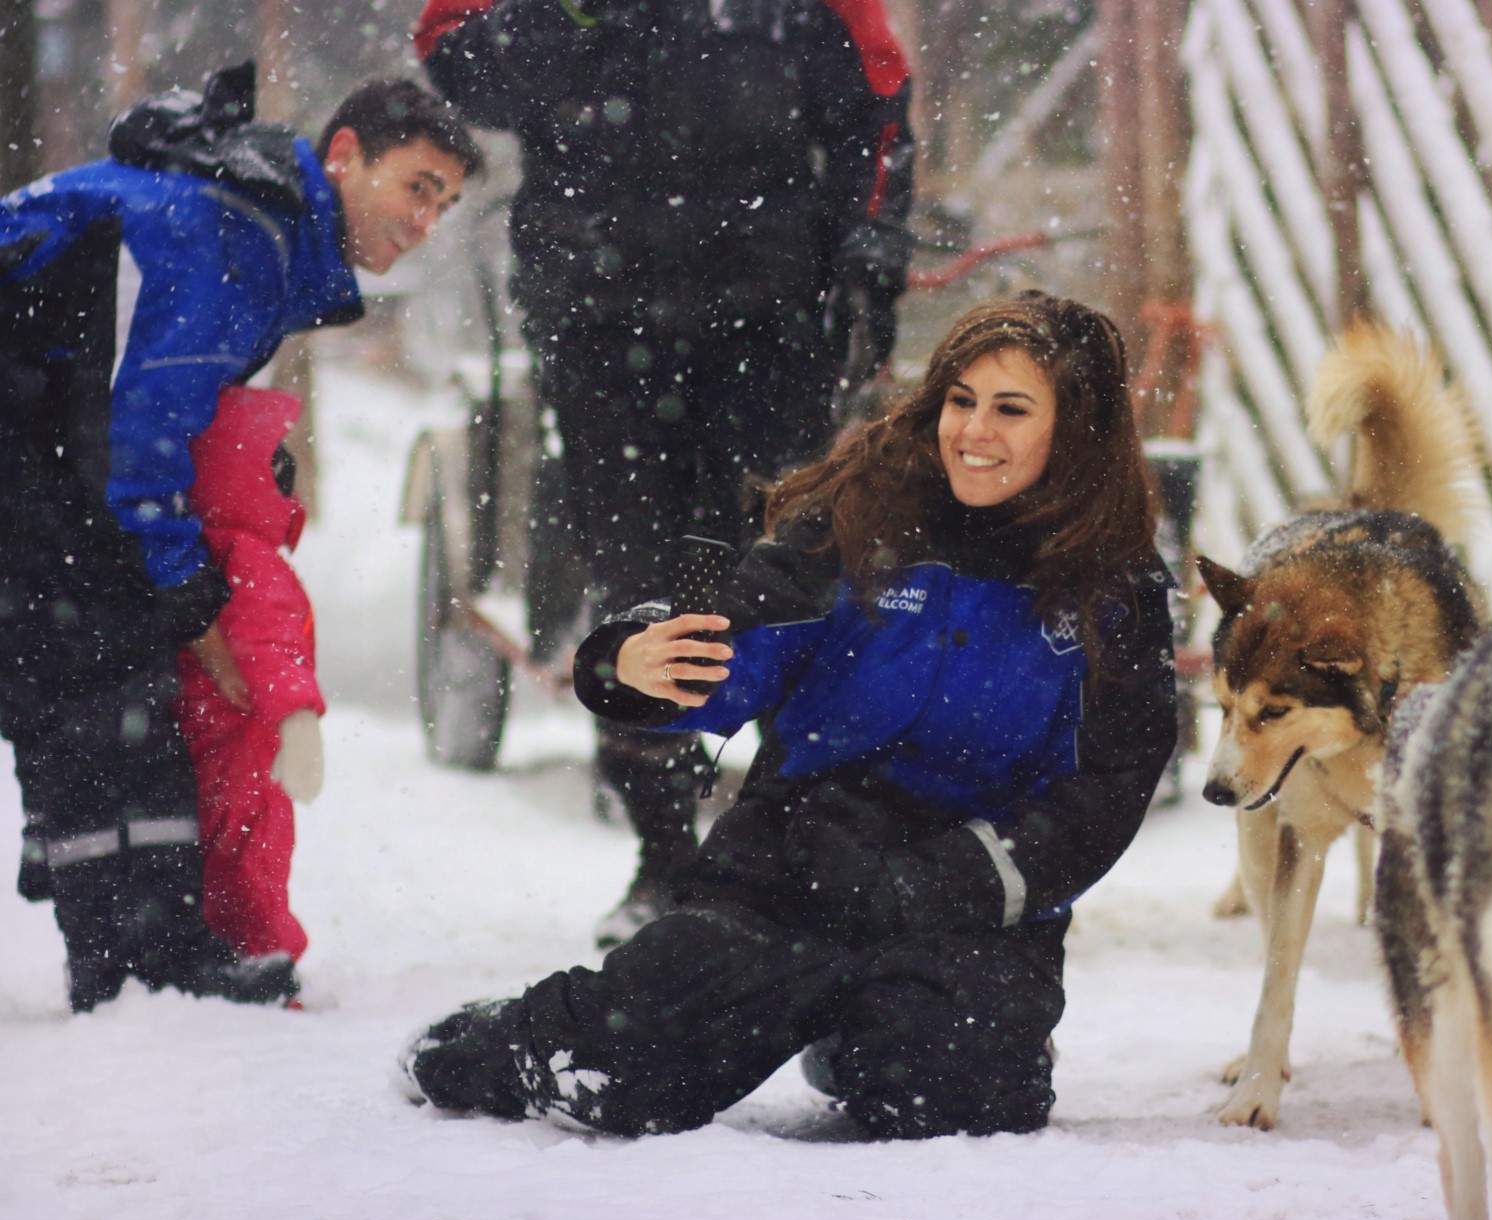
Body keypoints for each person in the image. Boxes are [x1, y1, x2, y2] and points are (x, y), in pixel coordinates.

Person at [398, 291, 1177, 1140]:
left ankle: (859, 1028)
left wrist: (951, 878)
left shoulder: (1116, 589)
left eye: (1012, 409)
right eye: (961, 399)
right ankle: (485, 1041)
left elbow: (1108, 786)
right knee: (619, 1068)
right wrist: (633, 661)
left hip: (969, 897)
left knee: (956, 1100)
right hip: (799, 865)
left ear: (1076, 430)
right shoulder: (862, 514)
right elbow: (736, 635)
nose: (974, 431)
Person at [412, 0, 917, 944]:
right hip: (600, 317)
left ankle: (785, 844)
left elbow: (878, 104)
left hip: (772, 314)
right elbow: (456, 62)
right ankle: (664, 852)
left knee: (776, 572)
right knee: (636, 574)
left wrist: (873, 254)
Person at [0, 68, 482, 1012]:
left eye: (447, 203)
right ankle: (137, 962)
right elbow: (137, 430)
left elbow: (157, 399)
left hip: (33, 436)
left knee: (100, 651)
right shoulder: (235, 230)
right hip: (31, 444)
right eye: (416, 186)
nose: (427, 219)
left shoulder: (265, 228)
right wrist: (187, 591)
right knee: (108, 655)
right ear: (345, 158)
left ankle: (122, 907)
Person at [174, 387, 326, 981]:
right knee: (252, 859)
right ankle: (266, 957)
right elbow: (271, 645)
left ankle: (221, 951)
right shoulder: (249, 558)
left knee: (213, 859)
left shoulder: (198, 553)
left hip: (204, 743)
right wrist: (299, 719)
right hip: (245, 751)